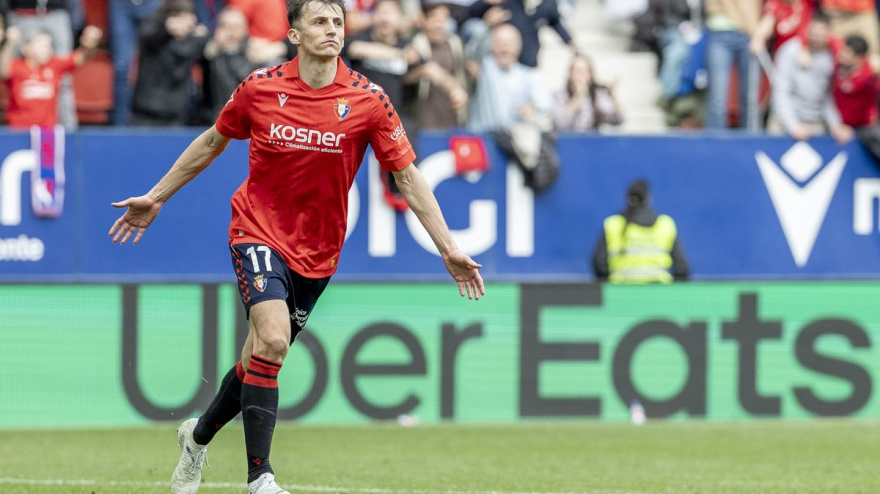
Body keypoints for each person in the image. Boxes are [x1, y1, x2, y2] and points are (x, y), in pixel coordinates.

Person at [108, 2, 484, 494]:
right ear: (294, 34)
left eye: (337, 22)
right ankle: (260, 477)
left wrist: (448, 248)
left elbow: (408, 177)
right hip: (256, 230)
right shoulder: (260, 87)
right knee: (275, 339)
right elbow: (211, 142)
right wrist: (155, 196)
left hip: (319, 251)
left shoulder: (369, 99)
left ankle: (196, 439)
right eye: (320, 22)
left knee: (259, 358)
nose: (332, 30)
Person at [769, 11, 853, 142]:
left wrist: (835, 124)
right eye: (813, 32)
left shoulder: (833, 56)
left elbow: (827, 95)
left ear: (829, 34)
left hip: (815, 125)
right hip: (783, 124)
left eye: (821, 34)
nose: (816, 38)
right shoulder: (790, 51)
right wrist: (792, 125)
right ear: (807, 30)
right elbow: (781, 91)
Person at [0, 24, 102, 128]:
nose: (47, 48)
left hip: (47, 133)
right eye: (41, 44)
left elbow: (82, 58)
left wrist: (91, 43)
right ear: (25, 48)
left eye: (49, 45)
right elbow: (3, 72)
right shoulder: (16, 66)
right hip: (18, 131)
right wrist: (9, 44)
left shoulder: (54, 65)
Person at [2, 0, 83, 129]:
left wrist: (78, 23)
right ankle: (16, 127)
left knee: (63, 79)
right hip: (22, 14)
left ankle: (68, 130)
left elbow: (79, 58)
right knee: (17, 78)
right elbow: (4, 72)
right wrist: (6, 16)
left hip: (57, 12)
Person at [592, 179, 689, 284]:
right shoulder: (665, 225)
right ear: (648, 199)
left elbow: (599, 263)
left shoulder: (613, 224)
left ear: (628, 199)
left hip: (620, 294)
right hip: (659, 294)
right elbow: (681, 268)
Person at [129, 0, 209, 126]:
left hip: (177, 111)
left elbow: (192, 53)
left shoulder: (194, 38)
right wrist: (167, 30)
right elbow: (149, 37)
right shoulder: (151, 28)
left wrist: (200, 37)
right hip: (146, 111)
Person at [194, 7, 259, 125]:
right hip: (210, 119)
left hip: (245, 119)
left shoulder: (255, 53)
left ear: (244, 30)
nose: (230, 32)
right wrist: (213, 46)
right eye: (225, 26)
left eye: (235, 27)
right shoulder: (209, 51)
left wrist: (230, 54)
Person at [704, 0, 762, 130]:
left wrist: (759, 35)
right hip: (720, 33)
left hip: (750, 35)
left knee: (750, 96)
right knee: (717, 98)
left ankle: (750, 142)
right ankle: (715, 143)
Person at [108, 0, 163, 125]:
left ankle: (154, 122)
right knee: (122, 66)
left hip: (152, 4)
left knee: (157, 62)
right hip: (122, 5)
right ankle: (119, 126)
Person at [552, 53, 622, 132]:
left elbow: (617, 120)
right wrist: (577, 97)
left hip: (592, 141)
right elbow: (560, 124)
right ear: (570, 74)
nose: (582, 75)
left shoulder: (598, 94)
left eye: (586, 71)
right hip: (568, 141)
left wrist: (612, 97)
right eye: (578, 71)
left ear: (590, 75)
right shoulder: (559, 95)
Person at [833, 34, 878, 128]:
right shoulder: (838, 65)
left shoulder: (870, 76)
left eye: (848, 52)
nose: (842, 54)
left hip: (863, 128)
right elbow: (831, 38)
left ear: (859, 57)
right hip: (838, 124)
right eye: (843, 49)